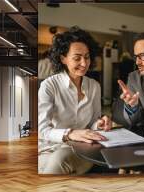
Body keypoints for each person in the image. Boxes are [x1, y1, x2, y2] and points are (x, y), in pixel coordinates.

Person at [38, 26, 112, 175]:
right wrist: (70, 133)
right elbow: (42, 131)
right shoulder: (49, 86)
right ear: (63, 58)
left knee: (61, 159)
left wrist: (100, 123)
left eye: (87, 57)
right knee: (56, 160)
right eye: (77, 58)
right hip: (49, 148)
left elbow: (93, 123)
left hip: (81, 148)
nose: (84, 63)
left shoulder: (94, 86)